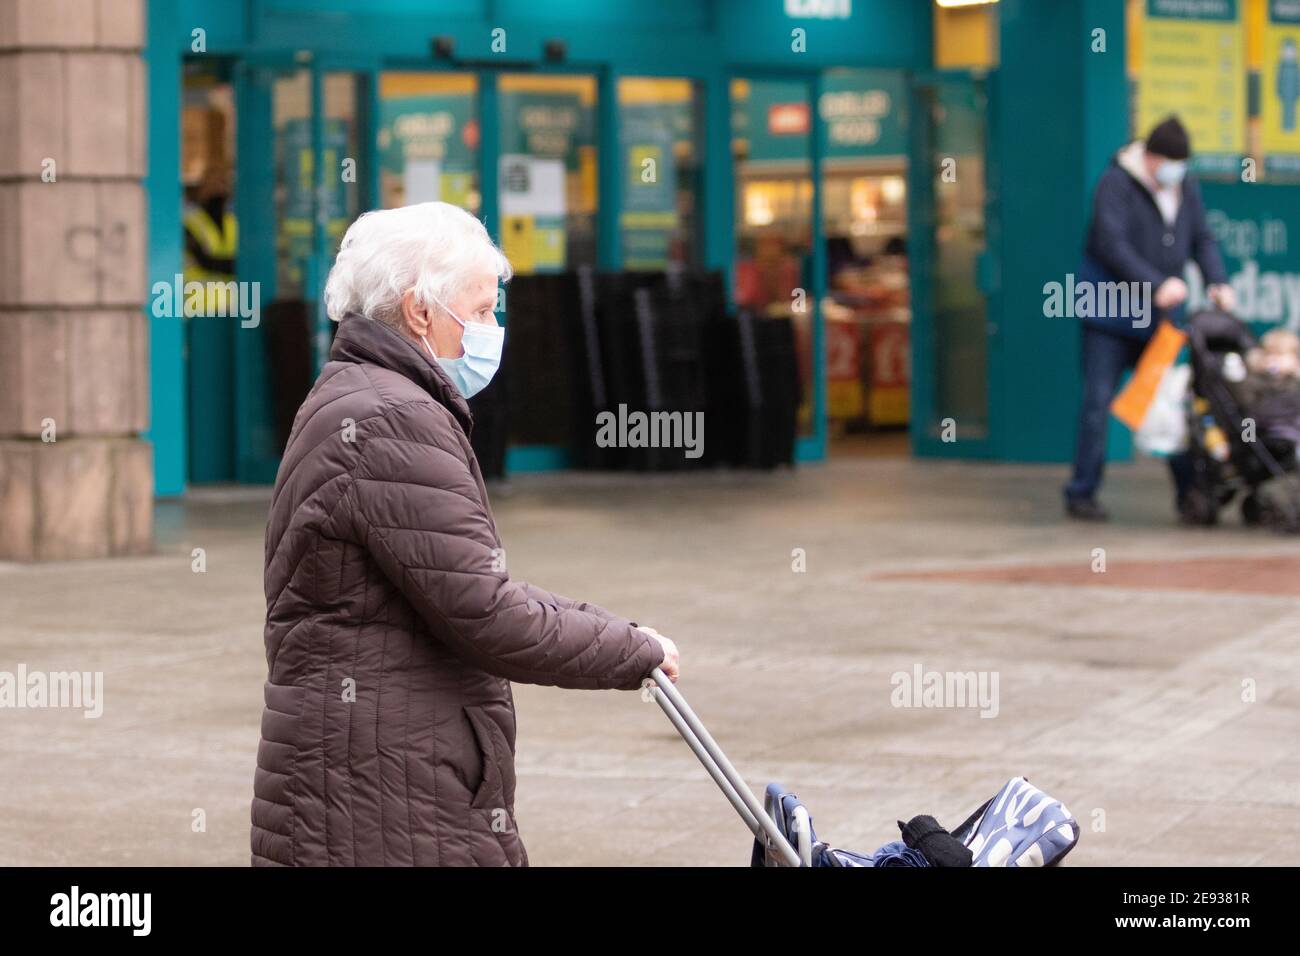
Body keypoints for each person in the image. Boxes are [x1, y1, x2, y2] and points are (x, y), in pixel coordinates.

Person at [250, 202, 680, 867]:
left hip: (371, 773)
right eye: (480, 311)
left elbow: (467, 582)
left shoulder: (362, 396)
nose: (493, 329)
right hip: (385, 794)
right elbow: (484, 611)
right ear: (422, 311)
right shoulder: (393, 417)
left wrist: (622, 633)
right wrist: (630, 651)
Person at [1064, 116, 1235, 522]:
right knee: (1097, 403)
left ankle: (1191, 497)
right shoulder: (1115, 183)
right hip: (1110, 316)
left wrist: (1218, 282)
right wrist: (1155, 283)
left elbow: (1201, 238)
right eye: (1171, 164)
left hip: (1157, 321)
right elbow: (1111, 243)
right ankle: (1081, 492)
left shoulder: (1185, 186)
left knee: (1169, 405)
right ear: (1152, 157)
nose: (1178, 172)